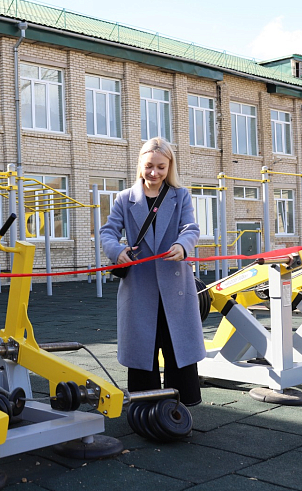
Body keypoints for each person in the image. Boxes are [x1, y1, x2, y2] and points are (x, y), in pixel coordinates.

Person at [99, 137, 205, 406]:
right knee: (142, 350)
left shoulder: (180, 196)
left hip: (175, 284)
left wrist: (182, 245)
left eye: (161, 167)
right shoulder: (125, 199)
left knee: (177, 347)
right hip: (140, 284)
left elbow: (190, 228)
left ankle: (181, 405)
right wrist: (116, 251)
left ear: (170, 166)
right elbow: (108, 232)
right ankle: (144, 405)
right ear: (140, 165)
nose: (154, 173)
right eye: (149, 166)